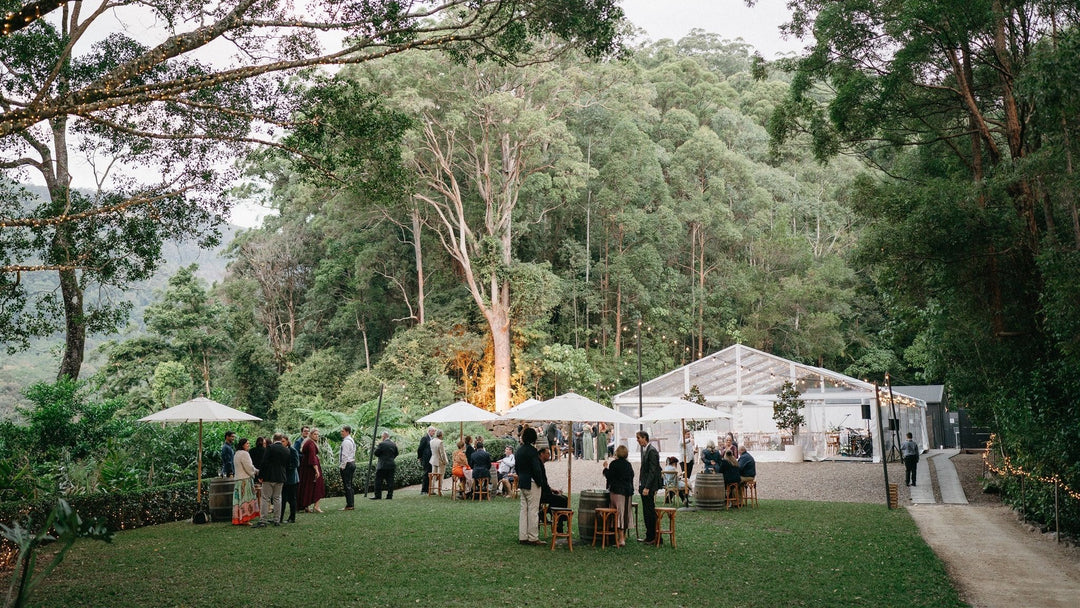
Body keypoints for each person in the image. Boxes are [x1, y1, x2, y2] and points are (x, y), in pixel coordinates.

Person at [514, 427, 544, 545]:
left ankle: (523, 536)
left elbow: (517, 467)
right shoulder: (532, 451)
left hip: (522, 481)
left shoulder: (519, 451)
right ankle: (533, 537)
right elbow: (536, 469)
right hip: (532, 482)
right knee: (533, 510)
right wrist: (539, 481)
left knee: (523, 510)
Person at [603, 444, 634, 547]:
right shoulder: (628, 465)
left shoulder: (614, 464)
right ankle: (622, 536)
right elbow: (632, 476)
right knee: (625, 514)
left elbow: (609, 476)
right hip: (628, 492)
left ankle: (620, 538)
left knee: (618, 514)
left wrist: (605, 468)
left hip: (617, 492)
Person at [636, 430, 661, 544]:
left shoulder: (652, 451)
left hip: (648, 486)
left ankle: (653, 536)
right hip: (645, 485)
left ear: (644, 437)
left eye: (638, 438)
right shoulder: (647, 450)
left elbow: (652, 471)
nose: (637, 440)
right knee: (646, 511)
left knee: (649, 511)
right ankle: (649, 535)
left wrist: (647, 487)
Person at [259, 432, 289, 527]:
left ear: (273, 439)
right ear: (281, 439)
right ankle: (277, 519)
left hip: (269, 476)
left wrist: (260, 475)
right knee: (277, 498)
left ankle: (263, 520)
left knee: (265, 498)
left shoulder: (270, 448)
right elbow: (286, 464)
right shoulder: (286, 450)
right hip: (280, 476)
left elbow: (264, 462)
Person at [231, 437, 260, 526]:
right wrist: (255, 472)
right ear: (243, 445)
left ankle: (239, 518)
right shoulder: (244, 454)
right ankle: (245, 519)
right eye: (247, 443)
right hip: (245, 480)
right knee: (245, 499)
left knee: (239, 500)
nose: (248, 445)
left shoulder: (236, 453)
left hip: (238, 480)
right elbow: (248, 467)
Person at [299, 428, 326, 513]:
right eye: (315, 434)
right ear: (311, 435)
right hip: (310, 468)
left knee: (307, 486)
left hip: (306, 467)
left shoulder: (309, 442)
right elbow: (312, 458)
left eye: (318, 434)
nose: (317, 436)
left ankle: (306, 506)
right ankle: (316, 506)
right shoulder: (310, 443)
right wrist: (316, 470)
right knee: (318, 485)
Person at [279, 434, 300, 524]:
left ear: (287, 441)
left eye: (283, 441)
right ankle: (280, 517)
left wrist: (286, 467)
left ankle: (292, 517)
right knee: (282, 499)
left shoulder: (292, 450)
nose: (282, 443)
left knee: (292, 499)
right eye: (281, 441)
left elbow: (296, 463)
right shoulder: (281, 451)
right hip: (283, 478)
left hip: (291, 479)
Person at [372, 431, 398, 499]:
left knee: (378, 480)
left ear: (384, 436)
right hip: (391, 465)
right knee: (390, 481)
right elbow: (396, 453)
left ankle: (378, 495)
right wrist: (391, 458)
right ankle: (389, 495)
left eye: (382, 436)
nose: (382, 438)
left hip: (382, 465)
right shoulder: (393, 444)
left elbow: (376, 453)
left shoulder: (382, 444)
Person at [339, 425, 356, 510]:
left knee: (347, 485)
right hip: (352, 462)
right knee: (349, 484)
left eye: (342, 431)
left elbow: (344, 455)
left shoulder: (346, 442)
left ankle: (350, 504)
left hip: (347, 464)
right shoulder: (351, 440)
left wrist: (342, 466)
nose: (341, 433)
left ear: (347, 432)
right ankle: (350, 503)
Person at [418, 426, 435, 494]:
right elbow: (420, 448)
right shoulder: (425, 438)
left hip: (431, 459)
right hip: (426, 459)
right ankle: (424, 490)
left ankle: (429, 489)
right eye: (433, 431)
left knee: (430, 474)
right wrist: (420, 457)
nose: (434, 433)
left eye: (434, 431)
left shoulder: (432, 439)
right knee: (426, 474)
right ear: (429, 431)